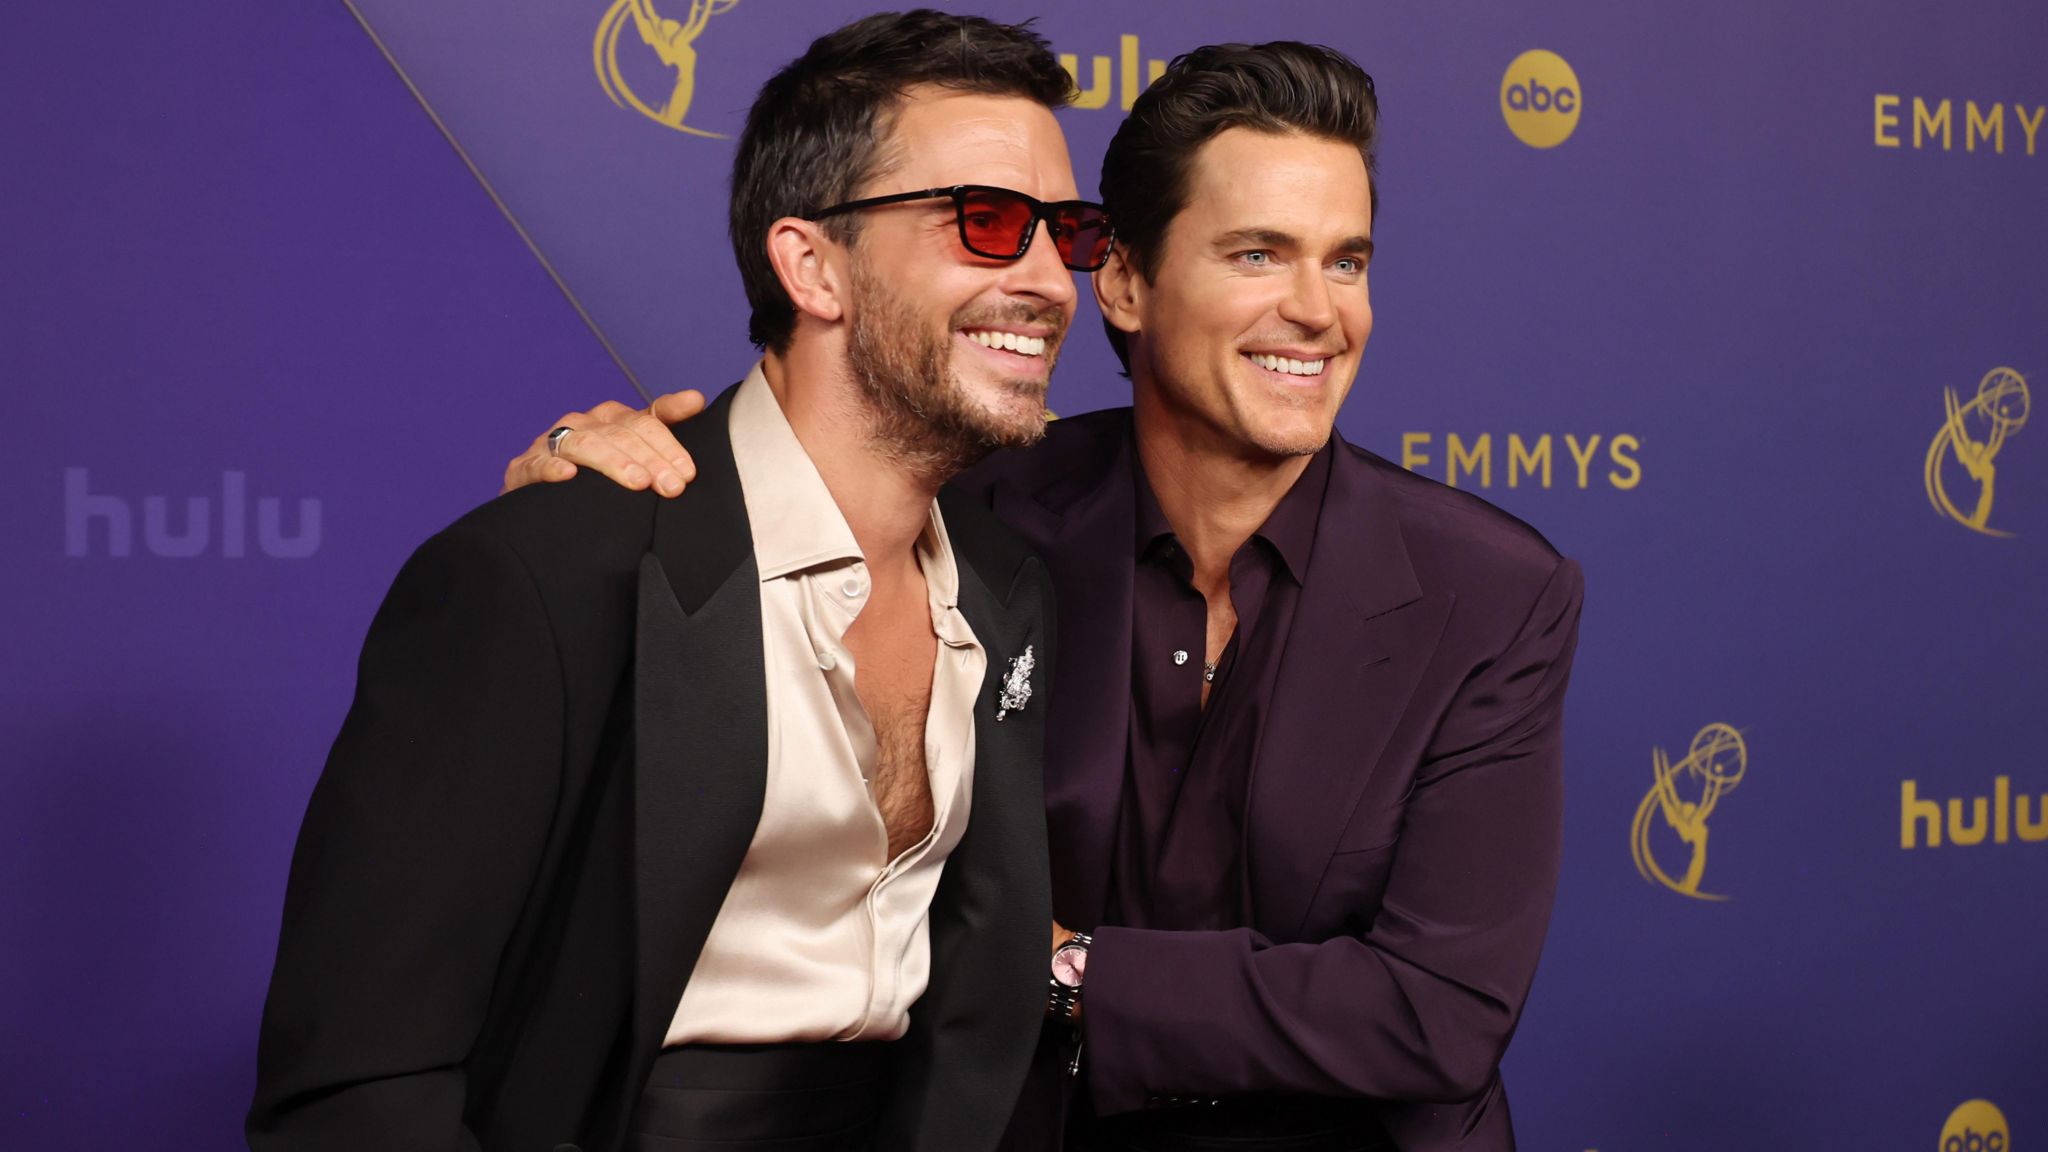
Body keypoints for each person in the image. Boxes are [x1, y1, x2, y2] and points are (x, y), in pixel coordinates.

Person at [513, 39, 1582, 1152]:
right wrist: (595, 467)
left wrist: (1067, 978)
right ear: (1121, 281)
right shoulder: (965, 506)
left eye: (1346, 261)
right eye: (1258, 255)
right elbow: (771, 464)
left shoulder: (1492, 592)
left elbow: (1434, 1013)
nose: (1319, 311)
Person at [248, 11, 1102, 1151]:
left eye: (1070, 232)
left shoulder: (1003, 589)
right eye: (987, 222)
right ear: (811, 265)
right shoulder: (549, 574)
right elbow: (358, 1085)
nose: (1050, 280)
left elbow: (972, 1000)